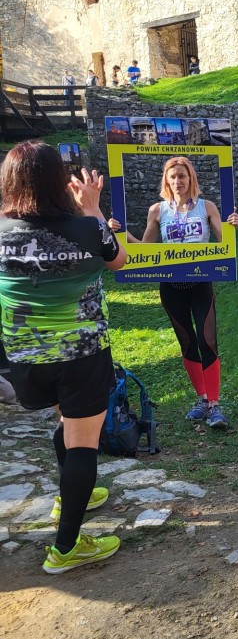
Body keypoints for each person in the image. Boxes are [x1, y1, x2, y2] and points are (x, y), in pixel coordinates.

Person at [0, 142, 128, 573]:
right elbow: (120, 261)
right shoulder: (87, 228)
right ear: (59, 180)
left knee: (67, 426)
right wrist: (91, 206)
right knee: (82, 442)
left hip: (25, 358)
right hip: (82, 353)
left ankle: (74, 494)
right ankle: (67, 548)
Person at [109, 157, 238, 428]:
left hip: (200, 283)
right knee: (187, 343)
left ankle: (215, 405)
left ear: (191, 178)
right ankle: (202, 399)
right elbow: (146, 250)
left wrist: (232, 224)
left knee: (208, 342)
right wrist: (120, 234)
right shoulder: (157, 210)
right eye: (173, 177)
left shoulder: (207, 207)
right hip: (171, 287)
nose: (178, 182)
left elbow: (224, 241)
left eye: (182, 176)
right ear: (166, 182)